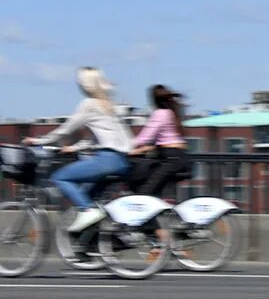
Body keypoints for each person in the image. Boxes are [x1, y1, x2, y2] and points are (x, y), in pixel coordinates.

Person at [23, 67, 133, 234]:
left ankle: (87, 211)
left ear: (84, 85)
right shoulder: (109, 106)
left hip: (107, 160)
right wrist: (74, 148)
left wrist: (38, 140)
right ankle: (93, 244)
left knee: (60, 178)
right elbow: (99, 138)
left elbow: (66, 129)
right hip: (122, 162)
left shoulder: (88, 104)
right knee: (88, 195)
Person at [130, 85, 191, 196]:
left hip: (170, 159)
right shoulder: (173, 112)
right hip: (181, 158)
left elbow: (145, 137)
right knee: (154, 191)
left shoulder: (161, 113)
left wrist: (126, 148)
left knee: (144, 193)